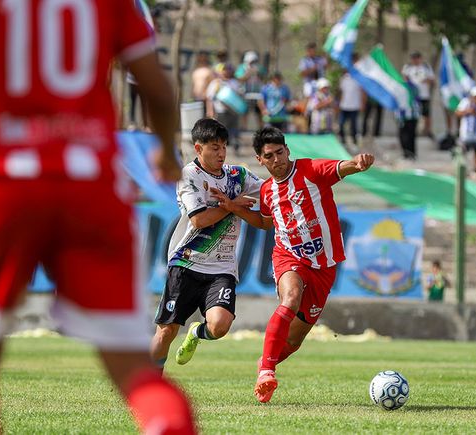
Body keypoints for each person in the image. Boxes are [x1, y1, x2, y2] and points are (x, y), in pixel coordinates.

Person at [0, 1, 196, 434]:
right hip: (91, 188)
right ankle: (165, 424)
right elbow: (157, 88)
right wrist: (164, 148)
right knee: (132, 369)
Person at [212, 126, 374, 404]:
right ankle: (266, 372)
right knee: (291, 298)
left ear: (287, 150)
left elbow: (339, 168)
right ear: (260, 160)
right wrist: (234, 208)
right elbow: (265, 222)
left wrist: (357, 164)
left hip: (324, 264)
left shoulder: (311, 170)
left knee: (294, 341)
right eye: (269, 156)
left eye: (280, 152)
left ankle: (267, 359)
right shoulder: (266, 191)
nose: (277, 159)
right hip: (289, 256)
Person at [151, 118, 262, 370]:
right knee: (166, 332)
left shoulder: (238, 175)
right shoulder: (189, 175)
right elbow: (200, 219)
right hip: (187, 262)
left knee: (220, 326)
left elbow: (268, 193)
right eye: (214, 147)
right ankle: (148, 387)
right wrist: (232, 205)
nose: (221, 152)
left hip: (221, 268)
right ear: (198, 148)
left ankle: (196, 334)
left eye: (223, 146)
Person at [206, 64, 243, 153]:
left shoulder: (234, 83)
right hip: (220, 111)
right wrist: (210, 110)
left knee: (234, 130)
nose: (226, 72)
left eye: (228, 70)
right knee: (219, 130)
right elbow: (209, 98)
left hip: (233, 111)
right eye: (224, 70)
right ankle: (217, 149)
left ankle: (235, 148)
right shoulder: (215, 83)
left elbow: (240, 95)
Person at [455, 86, 476, 174]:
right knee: (464, 150)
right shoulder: (465, 102)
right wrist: (468, 111)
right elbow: (457, 112)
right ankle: (463, 168)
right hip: (466, 132)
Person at [402, 51, 435, 137]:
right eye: (413, 58)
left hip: (424, 94)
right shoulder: (408, 67)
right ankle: (413, 130)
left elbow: (432, 80)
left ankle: (427, 131)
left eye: (417, 58)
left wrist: (425, 81)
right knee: (413, 113)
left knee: (426, 114)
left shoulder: (426, 67)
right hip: (413, 96)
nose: (415, 60)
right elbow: (404, 79)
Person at [236, 51, 267, 130]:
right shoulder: (242, 67)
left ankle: (261, 129)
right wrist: (248, 73)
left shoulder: (259, 68)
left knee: (258, 112)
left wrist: (258, 72)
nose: (253, 63)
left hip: (257, 93)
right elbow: (239, 78)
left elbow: (264, 77)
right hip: (245, 93)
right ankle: (244, 128)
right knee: (245, 112)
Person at [338, 59, 366, 146]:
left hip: (354, 106)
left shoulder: (359, 79)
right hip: (344, 106)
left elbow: (363, 92)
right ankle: (343, 140)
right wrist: (339, 103)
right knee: (341, 123)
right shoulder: (344, 78)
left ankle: (354, 141)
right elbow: (341, 92)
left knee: (353, 125)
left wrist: (362, 104)